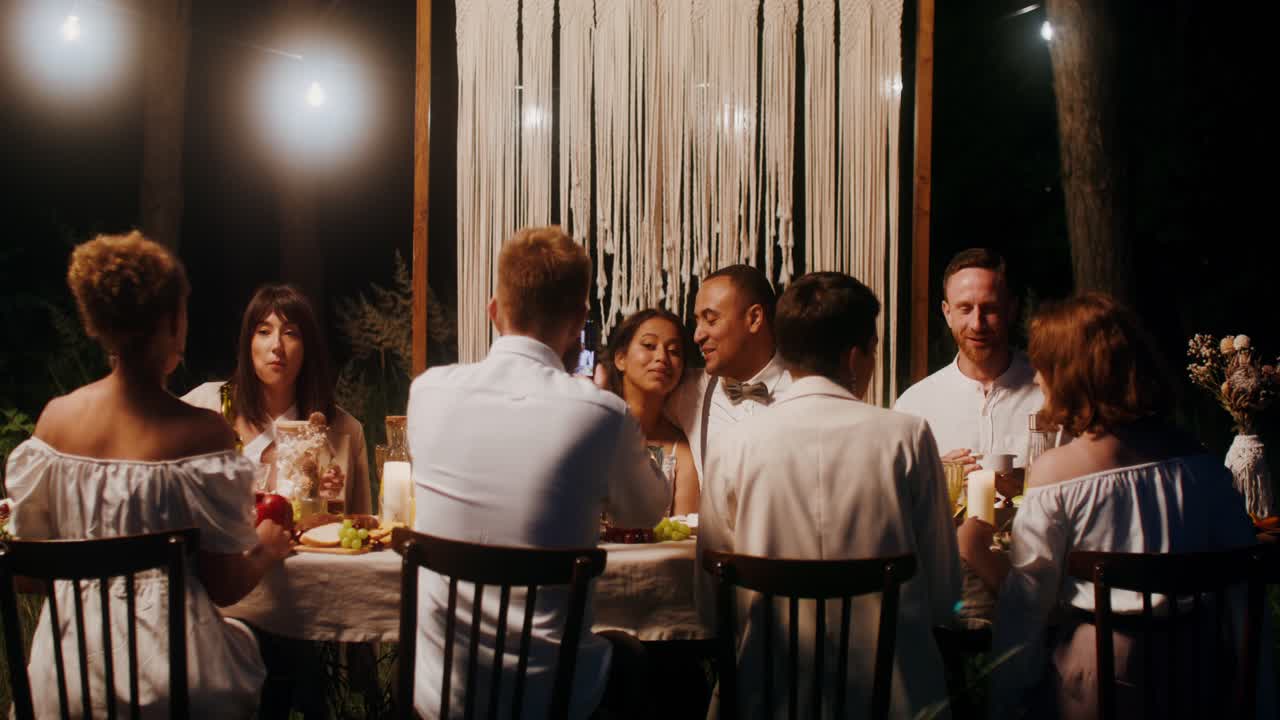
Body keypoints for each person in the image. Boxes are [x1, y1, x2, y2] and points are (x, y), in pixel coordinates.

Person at [3, 231, 293, 719]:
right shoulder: (203, 434)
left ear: (98, 322)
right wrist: (266, 545)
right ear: (172, 322)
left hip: (66, 678)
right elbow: (223, 587)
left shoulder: (55, 420)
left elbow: (30, 573)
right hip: (175, 680)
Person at [958, 293, 1273, 718]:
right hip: (1201, 673)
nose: (1037, 380)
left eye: (1043, 367)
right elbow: (1244, 589)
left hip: (1105, 678)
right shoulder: (1202, 465)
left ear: (1069, 375)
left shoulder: (1058, 473)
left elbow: (1026, 607)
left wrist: (1008, 703)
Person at [406, 226, 671, 719]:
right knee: (658, 665)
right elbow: (648, 511)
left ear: (493, 310)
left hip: (441, 696)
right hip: (557, 698)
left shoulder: (427, 391)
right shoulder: (601, 413)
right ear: (579, 322)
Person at [698, 271, 960, 719]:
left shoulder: (734, 442)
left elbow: (710, 598)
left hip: (766, 691)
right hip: (893, 696)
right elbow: (944, 590)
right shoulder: (907, 435)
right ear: (856, 357)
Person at [183, 284, 370, 514]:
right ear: (248, 343)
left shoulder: (345, 430)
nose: (277, 346)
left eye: (290, 333)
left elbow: (363, 530)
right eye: (264, 331)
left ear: (306, 348)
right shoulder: (204, 404)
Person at [894, 248, 1043, 487]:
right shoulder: (913, 406)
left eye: (990, 308)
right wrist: (929, 478)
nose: (977, 324)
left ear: (1012, 310)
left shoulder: (1052, 393)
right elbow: (894, 498)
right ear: (947, 313)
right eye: (965, 308)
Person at [666, 264, 792, 480]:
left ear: (754, 318)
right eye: (697, 321)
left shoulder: (803, 388)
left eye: (711, 320)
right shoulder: (689, 393)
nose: (697, 335)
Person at [600, 308, 699, 516]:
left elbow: (686, 535)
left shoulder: (680, 450)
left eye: (674, 351)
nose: (662, 357)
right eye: (649, 345)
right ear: (620, 359)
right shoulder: (596, 429)